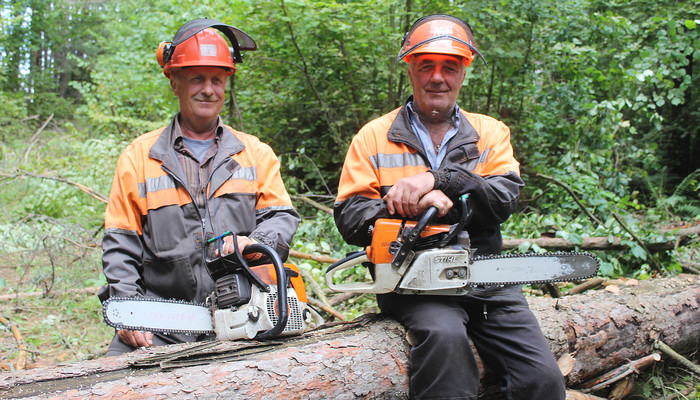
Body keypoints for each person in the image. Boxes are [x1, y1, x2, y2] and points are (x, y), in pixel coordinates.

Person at [334, 14, 566, 400]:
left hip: (487, 278)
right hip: (413, 281)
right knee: (445, 345)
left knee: (542, 378)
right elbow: (351, 216)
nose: (437, 77)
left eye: (449, 66)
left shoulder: (490, 132)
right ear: (411, 69)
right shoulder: (374, 136)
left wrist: (443, 183)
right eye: (427, 66)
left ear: (463, 71)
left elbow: (502, 199)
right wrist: (411, 207)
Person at [99, 19, 300, 356]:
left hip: (245, 312)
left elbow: (281, 218)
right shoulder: (139, 157)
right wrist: (126, 305)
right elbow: (121, 244)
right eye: (197, 78)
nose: (208, 89)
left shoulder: (254, 153)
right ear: (174, 81)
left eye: (217, 79)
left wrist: (253, 243)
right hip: (164, 321)